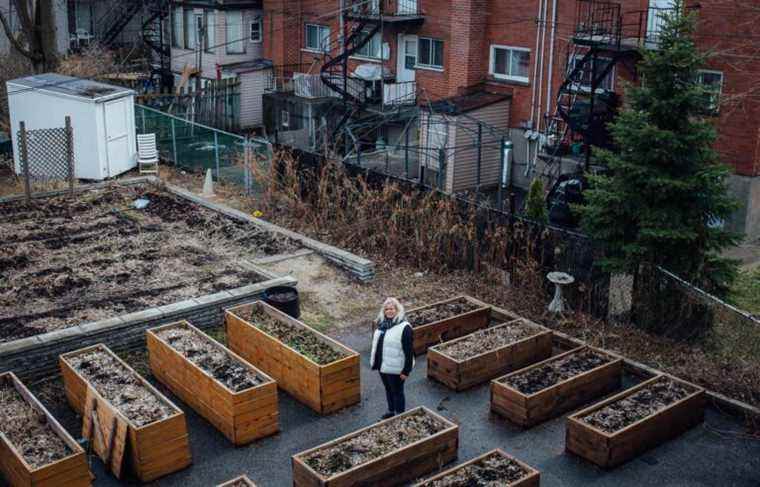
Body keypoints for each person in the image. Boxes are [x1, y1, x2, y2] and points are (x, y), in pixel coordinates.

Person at [370, 297, 414, 420]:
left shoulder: (405, 327)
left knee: (397, 392)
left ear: (397, 310)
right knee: (388, 389)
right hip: (383, 365)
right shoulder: (382, 324)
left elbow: (409, 351)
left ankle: (400, 416)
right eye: (387, 309)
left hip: (396, 367)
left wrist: (406, 370)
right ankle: (391, 411)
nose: (389, 311)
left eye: (392, 309)